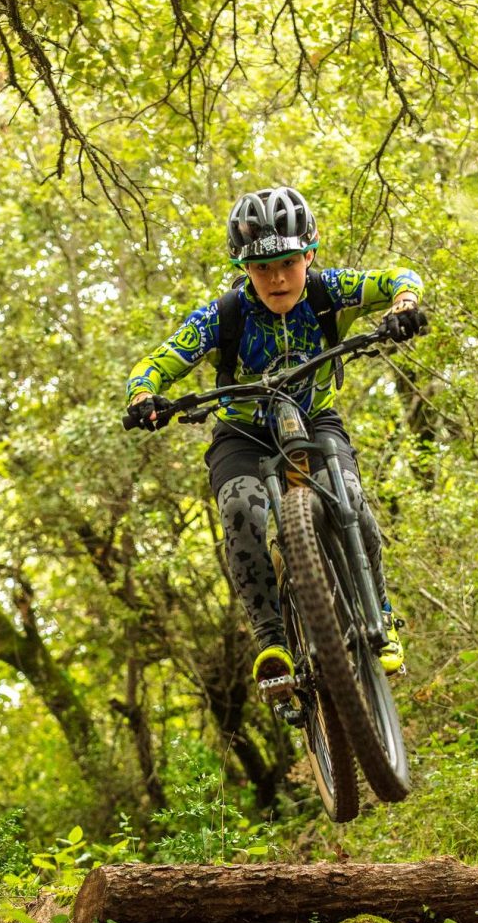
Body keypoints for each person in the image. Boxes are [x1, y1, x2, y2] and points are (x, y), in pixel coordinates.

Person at [125, 185, 424, 694]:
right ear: (245, 268)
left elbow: (400, 276)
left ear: (308, 253)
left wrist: (404, 304)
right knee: (240, 507)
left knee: (350, 496)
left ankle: (382, 617)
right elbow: (157, 362)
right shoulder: (224, 315)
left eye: (287, 262)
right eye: (261, 268)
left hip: (316, 421)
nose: (277, 277)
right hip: (242, 431)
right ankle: (273, 641)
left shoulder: (331, 291)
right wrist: (143, 396)